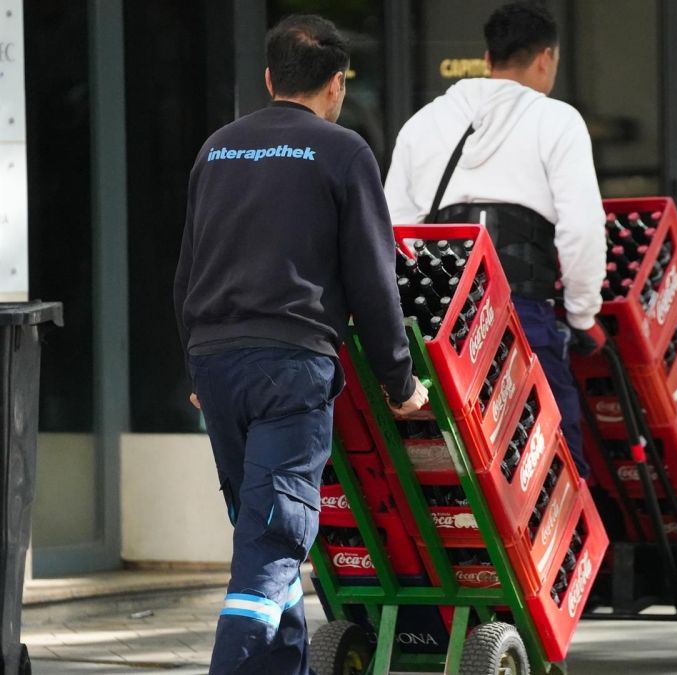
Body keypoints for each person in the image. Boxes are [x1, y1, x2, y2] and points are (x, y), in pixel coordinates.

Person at [173, 15, 428, 674]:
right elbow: (374, 279)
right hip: (291, 367)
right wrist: (400, 381)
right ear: (338, 85)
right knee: (272, 540)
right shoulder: (343, 152)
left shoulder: (218, 149)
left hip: (218, 360)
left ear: (268, 78)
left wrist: (195, 364)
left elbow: (186, 271)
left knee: (263, 530)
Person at [384, 1, 605, 478]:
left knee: (456, 461)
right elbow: (582, 228)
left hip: (442, 322)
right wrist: (584, 314)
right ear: (547, 58)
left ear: (487, 59)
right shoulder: (557, 121)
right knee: (550, 455)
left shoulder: (424, 123)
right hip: (521, 311)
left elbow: (392, 231)